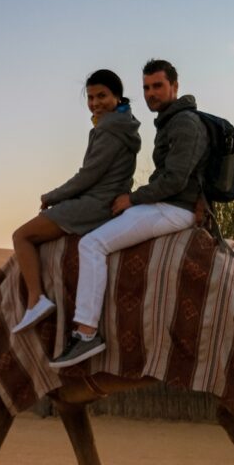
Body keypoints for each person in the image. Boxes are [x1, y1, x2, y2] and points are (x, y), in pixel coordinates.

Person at [50, 59, 208, 368]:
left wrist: (132, 199)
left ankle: (86, 333)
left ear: (175, 86)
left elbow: (175, 180)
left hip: (176, 209)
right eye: (147, 87)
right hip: (169, 204)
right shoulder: (169, 121)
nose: (151, 93)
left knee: (91, 244)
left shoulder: (185, 123)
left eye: (158, 86)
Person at [10, 69, 141, 333]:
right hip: (105, 196)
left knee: (21, 236)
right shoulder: (123, 123)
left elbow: (88, 175)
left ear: (117, 95)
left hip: (96, 203)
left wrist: (52, 196)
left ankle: (36, 300)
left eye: (102, 96)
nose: (95, 103)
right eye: (91, 98)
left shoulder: (109, 129)